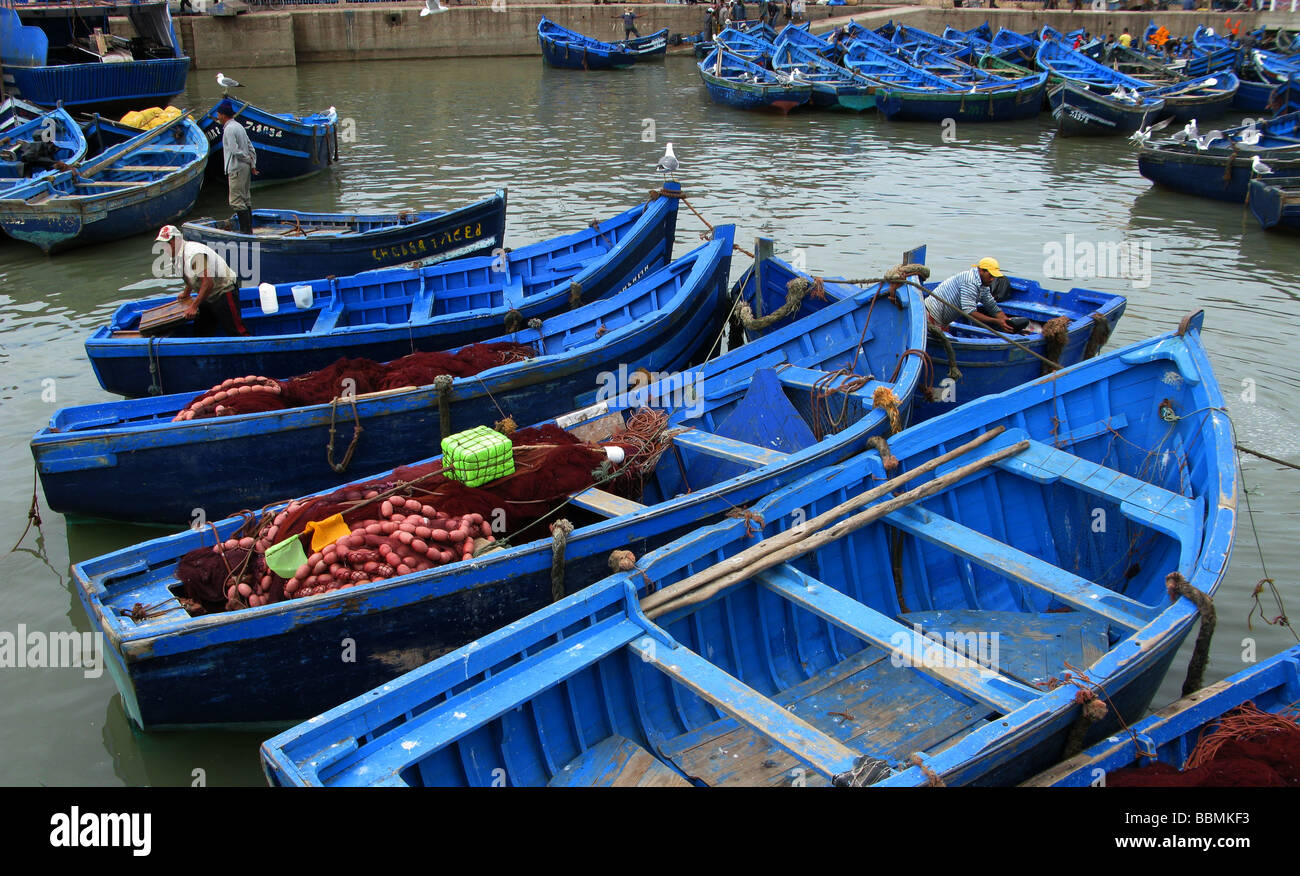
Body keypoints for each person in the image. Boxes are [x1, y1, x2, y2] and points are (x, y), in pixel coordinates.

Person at [155, 225, 246, 337]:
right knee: (201, 332)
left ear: (177, 240)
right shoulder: (176, 255)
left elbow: (208, 283)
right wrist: (186, 293)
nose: (165, 247)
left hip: (223, 290)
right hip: (207, 294)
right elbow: (190, 276)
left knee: (236, 332)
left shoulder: (194, 255)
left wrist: (193, 306)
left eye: (168, 243)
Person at [924, 258, 1023, 334]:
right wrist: (997, 321)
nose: (992, 279)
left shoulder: (983, 285)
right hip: (931, 315)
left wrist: (1005, 321)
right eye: (990, 276)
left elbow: (992, 306)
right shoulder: (970, 281)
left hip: (943, 320)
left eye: (994, 277)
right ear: (981, 271)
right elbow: (970, 312)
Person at [215, 100, 257, 234]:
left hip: (236, 168)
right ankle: (249, 229)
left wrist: (246, 159)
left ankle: (246, 232)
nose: (218, 117)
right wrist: (252, 163)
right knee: (245, 198)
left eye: (219, 115)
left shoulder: (229, 129)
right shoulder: (239, 126)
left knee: (236, 201)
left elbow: (234, 150)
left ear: (223, 115)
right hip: (244, 167)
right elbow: (251, 147)